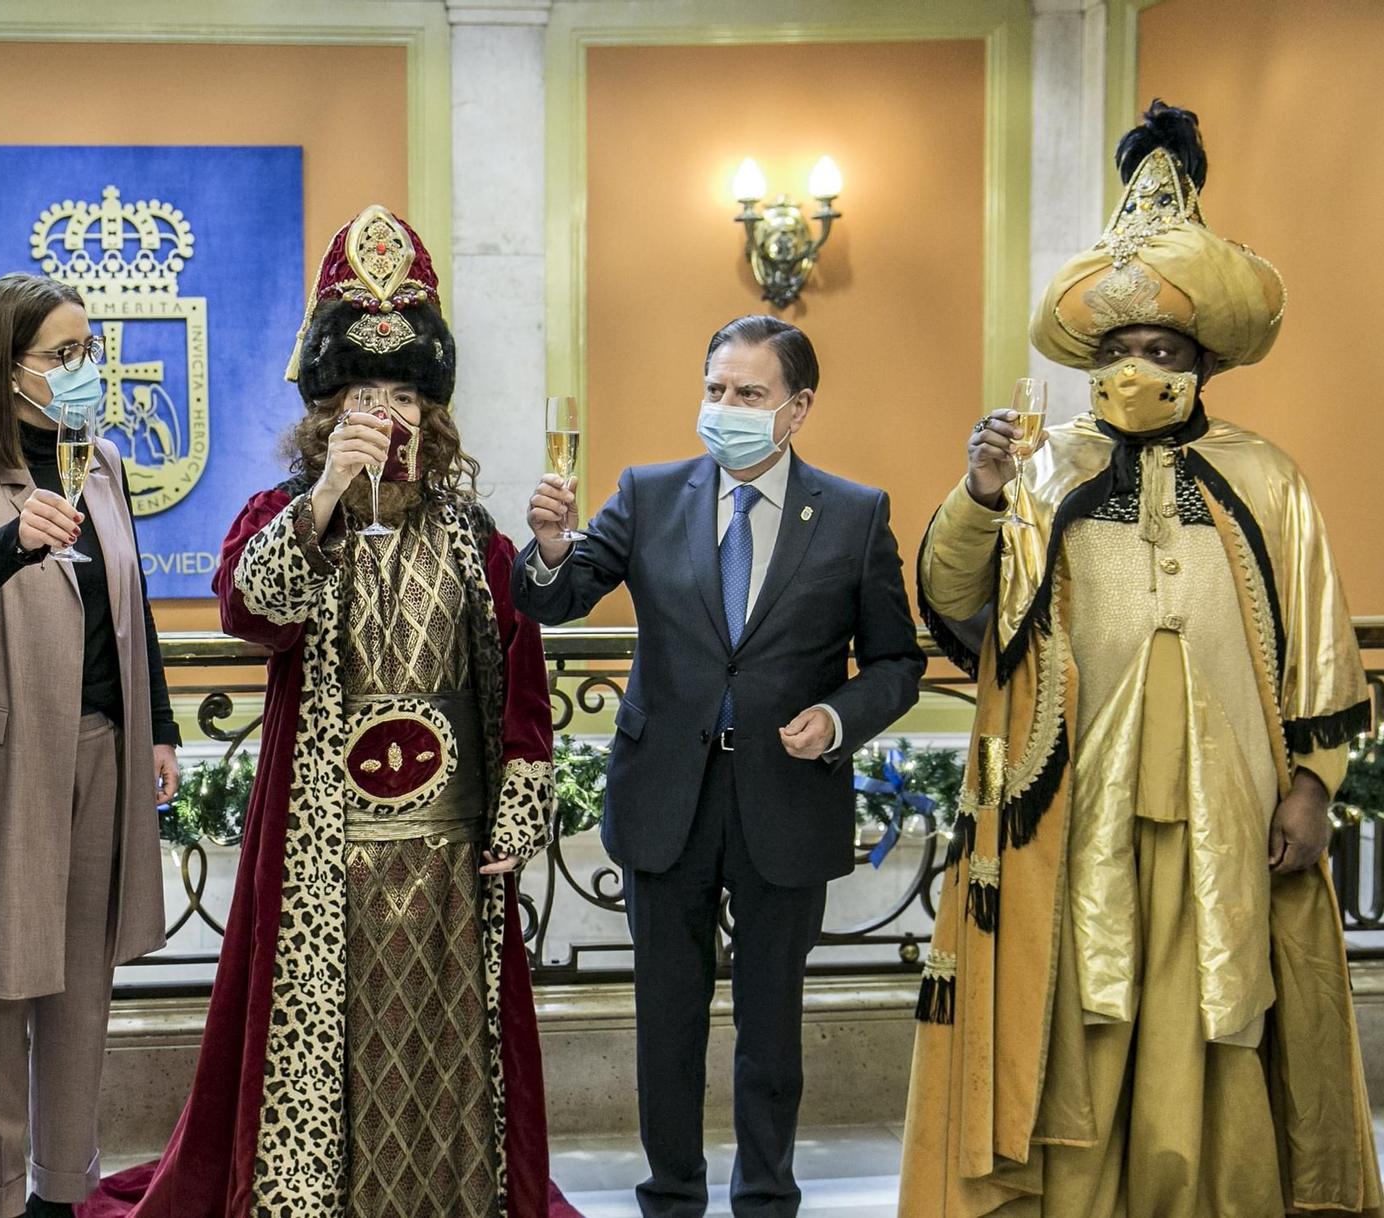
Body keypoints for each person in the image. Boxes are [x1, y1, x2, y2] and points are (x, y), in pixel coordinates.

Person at [900, 102, 1380, 1215]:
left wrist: (1314, 787)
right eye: (1115, 353)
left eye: (1159, 352)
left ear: (1201, 362)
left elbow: (1317, 641)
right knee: (1078, 1011)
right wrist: (977, 495)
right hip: (1071, 810)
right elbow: (955, 602)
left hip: (1235, 809)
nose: (1135, 372)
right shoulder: (1038, 467)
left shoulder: (1265, 478)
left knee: (1214, 1012)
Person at [84, 205, 576, 1218]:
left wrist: (519, 803)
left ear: (430, 413)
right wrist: (326, 496)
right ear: (325, 410)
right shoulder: (284, 517)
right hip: (322, 852)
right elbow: (248, 614)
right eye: (362, 392)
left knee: (438, 1041)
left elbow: (518, 678)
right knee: (328, 1038)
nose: (384, 413)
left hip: (444, 853)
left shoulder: (470, 534)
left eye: (401, 393)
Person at [514, 314, 925, 1218]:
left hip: (787, 798)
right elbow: (560, 598)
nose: (726, 408)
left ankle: (768, 1196)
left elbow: (897, 663)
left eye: (748, 394)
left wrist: (837, 715)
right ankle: (669, 1196)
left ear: (797, 407)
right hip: (668, 797)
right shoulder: (648, 492)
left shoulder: (856, 515)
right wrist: (548, 549)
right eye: (715, 390)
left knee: (769, 1029)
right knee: (667, 1021)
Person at [0, 272, 180, 1218]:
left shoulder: (100, 461)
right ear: (6, 365)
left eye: (88, 350)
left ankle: (65, 1195)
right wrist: (17, 537)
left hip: (100, 752)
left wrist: (163, 729)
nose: (84, 370)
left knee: (78, 997)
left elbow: (129, 600)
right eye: (62, 355)